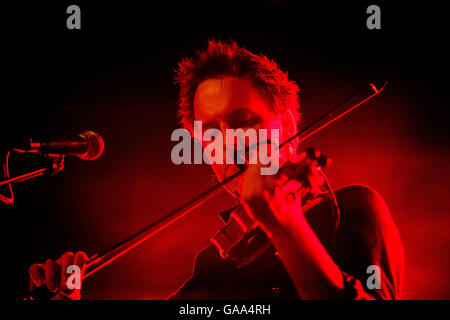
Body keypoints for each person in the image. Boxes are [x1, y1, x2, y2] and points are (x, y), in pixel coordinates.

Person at [28, 40, 404, 300]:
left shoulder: (353, 208)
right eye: (210, 134)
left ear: (288, 128)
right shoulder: (212, 263)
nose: (227, 143)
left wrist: (284, 224)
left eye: (243, 122)